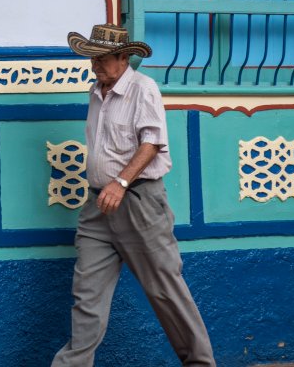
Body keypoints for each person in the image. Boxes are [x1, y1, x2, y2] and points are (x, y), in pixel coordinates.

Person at [52, 23, 215, 367]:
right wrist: (106, 186)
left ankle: (201, 363)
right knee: (87, 298)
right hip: (98, 208)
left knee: (165, 292)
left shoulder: (144, 89)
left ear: (123, 57)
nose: (94, 65)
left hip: (139, 203)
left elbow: (152, 142)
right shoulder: (97, 91)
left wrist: (121, 182)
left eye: (101, 59)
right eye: (91, 59)